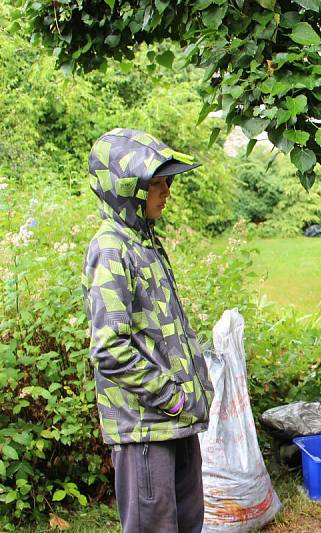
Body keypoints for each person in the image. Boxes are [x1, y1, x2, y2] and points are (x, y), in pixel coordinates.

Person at [82, 128, 215, 533]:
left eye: (168, 181)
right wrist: (172, 397)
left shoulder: (145, 241)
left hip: (176, 422)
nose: (167, 192)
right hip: (146, 428)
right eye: (157, 182)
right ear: (127, 189)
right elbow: (109, 347)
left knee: (189, 523)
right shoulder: (111, 249)